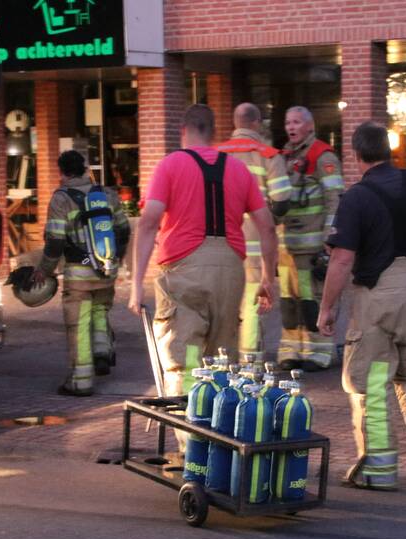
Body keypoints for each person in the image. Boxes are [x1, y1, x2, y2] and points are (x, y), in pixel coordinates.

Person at [317, 121, 406, 490]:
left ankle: (377, 471)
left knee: (373, 383)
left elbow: (343, 260)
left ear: (357, 154)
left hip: (376, 298)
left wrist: (327, 307)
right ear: (389, 150)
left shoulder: (357, 197)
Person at [128, 104, 278, 400]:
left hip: (185, 272)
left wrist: (135, 287)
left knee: (185, 359)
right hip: (230, 271)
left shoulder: (170, 165)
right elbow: (267, 228)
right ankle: (217, 437)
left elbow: (148, 224)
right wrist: (267, 279)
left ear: (183, 131)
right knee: (222, 362)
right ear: (213, 133)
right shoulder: (238, 169)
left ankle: (190, 440)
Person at [32, 150, 130, 397]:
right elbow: (124, 230)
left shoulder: (60, 199)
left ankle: (81, 381)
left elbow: (55, 242)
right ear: (85, 169)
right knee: (100, 309)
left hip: (78, 275)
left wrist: (44, 270)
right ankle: (102, 352)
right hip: (106, 270)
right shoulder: (107, 194)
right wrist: (113, 259)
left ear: (61, 172)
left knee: (79, 324)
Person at [216, 102, 292, 358]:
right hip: (256, 245)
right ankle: (249, 364)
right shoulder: (268, 155)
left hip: (220, 245)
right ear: (257, 123)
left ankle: (222, 361)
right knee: (251, 304)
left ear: (235, 124)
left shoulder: (216, 154)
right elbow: (281, 201)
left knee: (224, 304)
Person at [279, 105, 344, 371]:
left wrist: (330, 240)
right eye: (287, 122)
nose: (291, 127)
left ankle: (320, 352)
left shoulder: (322, 156)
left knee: (312, 301)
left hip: (312, 247)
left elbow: (335, 200)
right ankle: (291, 351)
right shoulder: (284, 156)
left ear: (309, 126)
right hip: (288, 247)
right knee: (289, 303)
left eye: (296, 122)